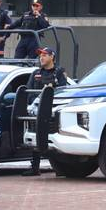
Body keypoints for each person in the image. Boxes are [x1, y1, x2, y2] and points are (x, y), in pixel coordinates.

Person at [23, 47, 68, 176]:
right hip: (37, 111)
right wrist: (37, 100)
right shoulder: (35, 73)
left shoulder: (59, 72)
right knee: (36, 138)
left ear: (52, 57)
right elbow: (28, 92)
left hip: (53, 112)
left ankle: (60, 168)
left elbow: (63, 91)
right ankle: (35, 167)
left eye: (44, 55)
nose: (41, 58)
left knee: (53, 139)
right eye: (40, 55)